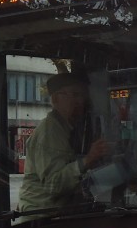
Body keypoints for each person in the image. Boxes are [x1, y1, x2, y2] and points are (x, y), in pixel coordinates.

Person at [19, 71, 110, 213]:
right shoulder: (50, 131)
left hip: (60, 213)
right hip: (42, 216)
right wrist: (88, 160)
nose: (80, 101)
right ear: (56, 99)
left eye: (82, 96)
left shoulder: (69, 128)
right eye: (75, 95)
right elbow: (53, 185)